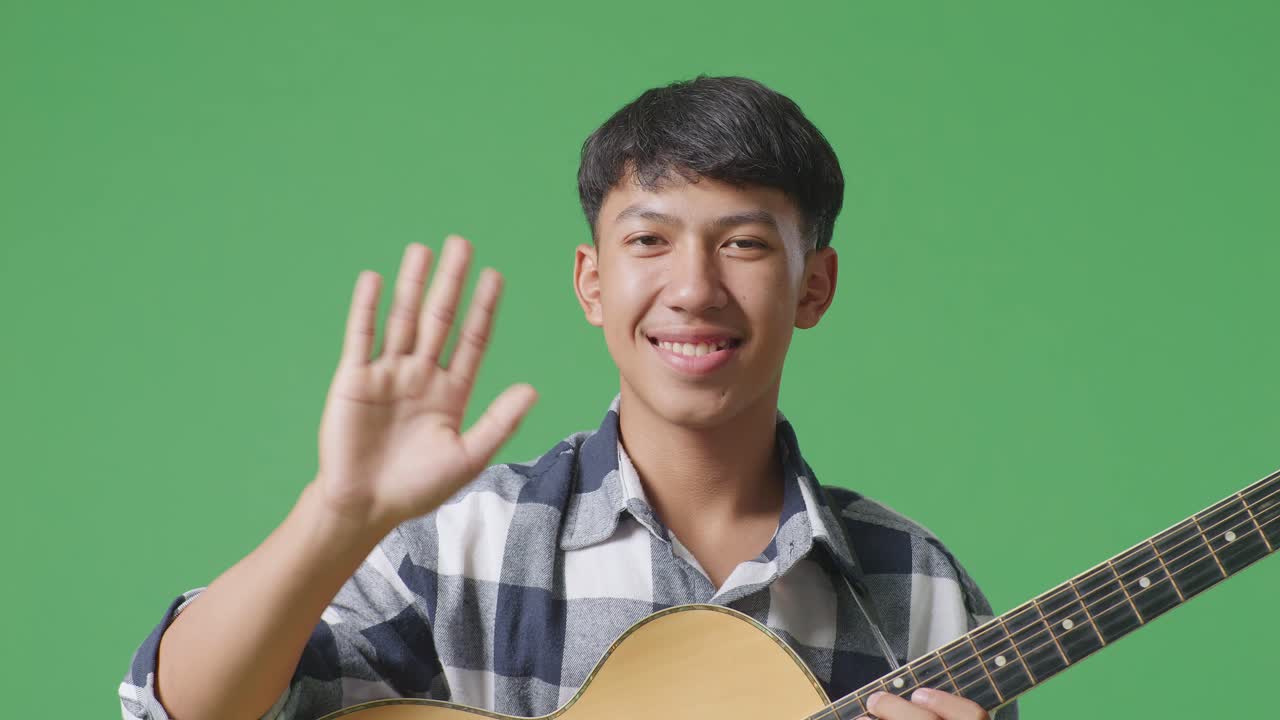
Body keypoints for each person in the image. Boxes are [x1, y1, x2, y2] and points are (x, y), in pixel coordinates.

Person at [119, 74, 1018, 720]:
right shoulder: (464, 542)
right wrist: (337, 511)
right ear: (592, 283)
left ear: (813, 287)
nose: (693, 288)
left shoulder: (918, 588)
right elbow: (175, 712)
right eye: (650, 240)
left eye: (743, 244)